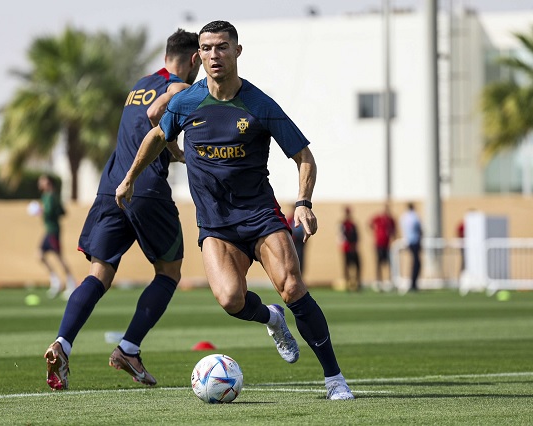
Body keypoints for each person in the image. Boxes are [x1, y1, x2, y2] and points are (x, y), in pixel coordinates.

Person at [115, 20, 354, 400]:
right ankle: (271, 318)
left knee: (293, 287)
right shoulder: (186, 102)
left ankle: (334, 379)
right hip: (215, 224)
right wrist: (129, 178)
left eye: (222, 47)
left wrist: (304, 203)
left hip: (260, 216)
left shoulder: (259, 104)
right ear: (199, 55)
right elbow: (158, 136)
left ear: (237, 51)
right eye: (207, 48)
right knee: (230, 299)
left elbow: (303, 156)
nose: (214, 55)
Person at [43, 29, 202, 390]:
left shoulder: (141, 83)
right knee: (169, 270)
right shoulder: (179, 86)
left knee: (100, 273)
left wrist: (172, 149)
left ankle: (62, 343)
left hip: (110, 186)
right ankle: (129, 348)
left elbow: (143, 124)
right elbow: (158, 109)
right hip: (145, 188)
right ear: (193, 59)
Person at [37, 174, 76, 299]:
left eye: (43, 181)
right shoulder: (45, 196)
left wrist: (43, 211)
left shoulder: (52, 196)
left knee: (59, 257)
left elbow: (61, 212)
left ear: (48, 183)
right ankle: (56, 282)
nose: (41, 183)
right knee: (40, 255)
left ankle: (71, 284)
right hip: (48, 231)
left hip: (53, 231)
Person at [369, 203, 396, 289]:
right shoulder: (378, 218)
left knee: (389, 263)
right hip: (379, 244)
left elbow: (394, 229)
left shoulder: (390, 219)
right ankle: (379, 281)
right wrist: (375, 232)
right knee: (379, 263)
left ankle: (390, 280)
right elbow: (370, 224)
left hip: (387, 244)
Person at [400, 202, 422, 292]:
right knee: (417, 263)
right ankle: (413, 283)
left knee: (414, 262)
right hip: (415, 241)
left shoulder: (404, 217)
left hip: (408, 241)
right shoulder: (414, 216)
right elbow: (419, 228)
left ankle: (412, 283)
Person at [339, 206, 361, 291]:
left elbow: (356, 236)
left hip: (353, 248)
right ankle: (348, 284)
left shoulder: (353, 224)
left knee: (357, 265)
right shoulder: (343, 224)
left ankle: (356, 283)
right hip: (347, 248)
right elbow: (342, 236)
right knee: (347, 266)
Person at [287, 207, 306, 275]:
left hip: (301, 241)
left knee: (301, 258)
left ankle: (301, 275)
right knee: (292, 258)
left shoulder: (302, 219)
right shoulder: (290, 219)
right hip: (293, 241)